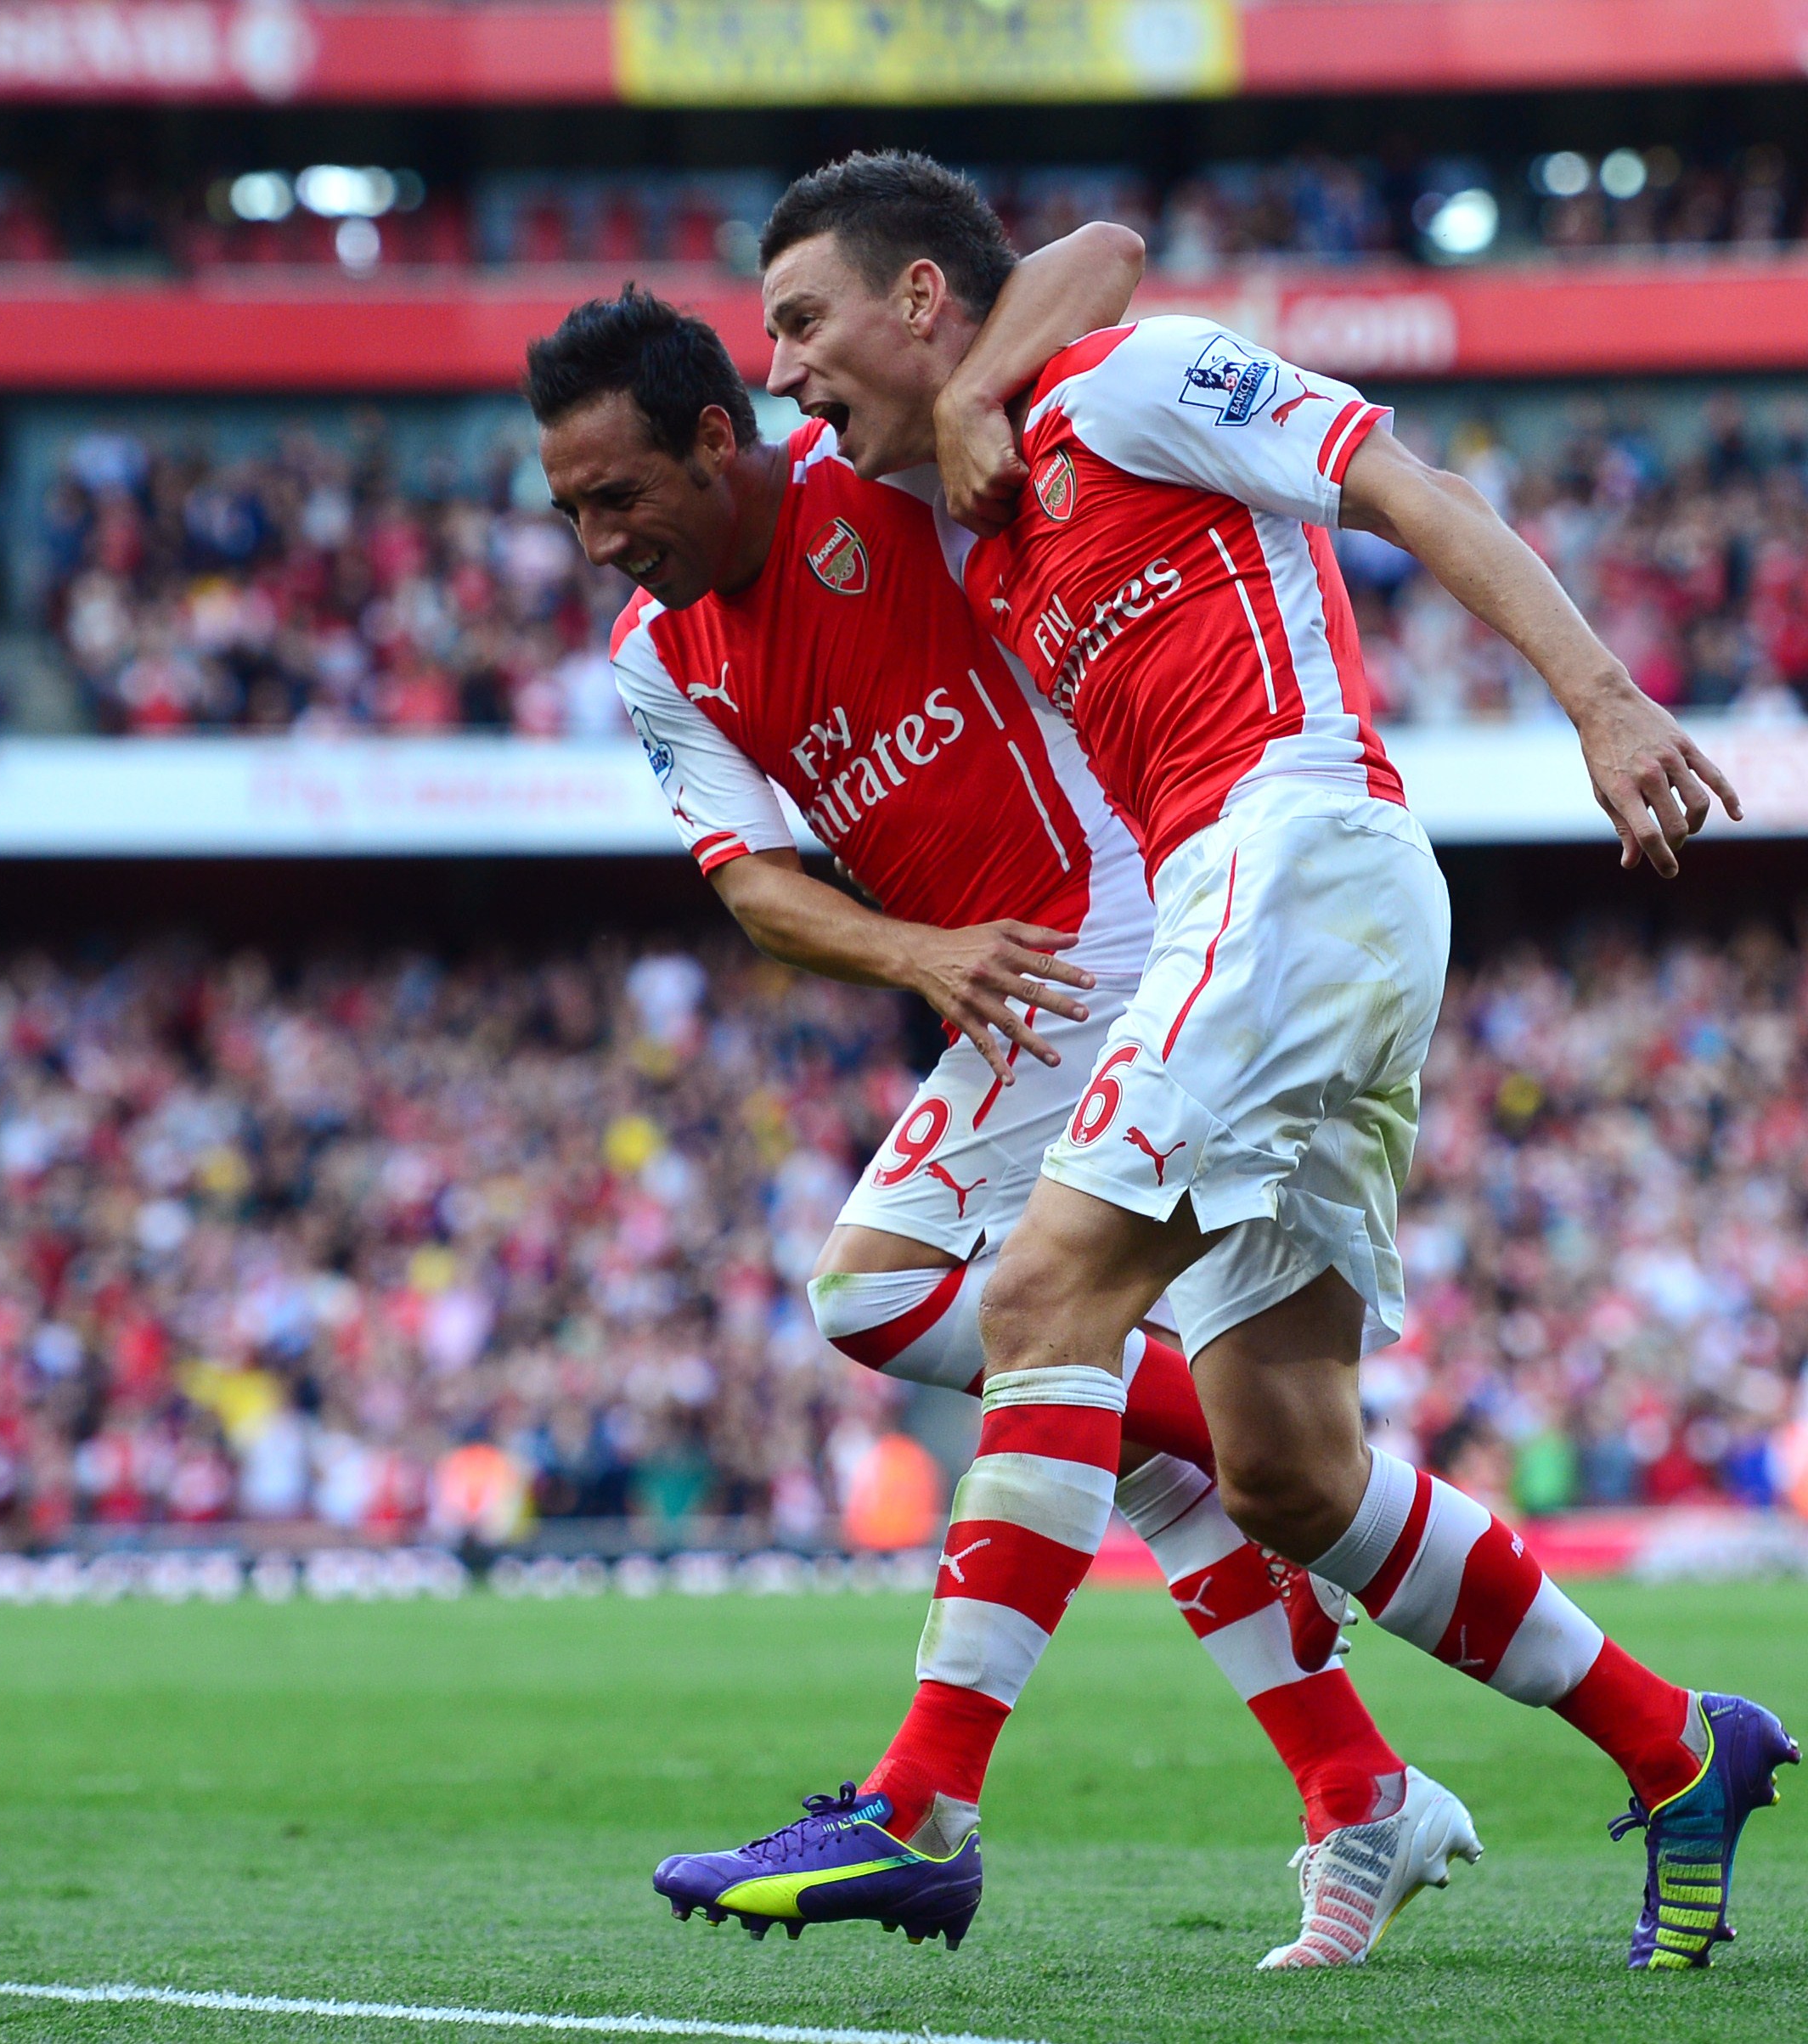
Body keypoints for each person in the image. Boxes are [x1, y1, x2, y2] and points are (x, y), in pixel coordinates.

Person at [744, 149, 1796, 1974]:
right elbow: (1051, 274)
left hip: (1288, 850)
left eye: (800, 321)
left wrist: (1599, 695)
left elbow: (1399, 482)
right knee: (1285, 1476)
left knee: (1045, 1290)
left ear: (921, 303)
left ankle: (914, 1802)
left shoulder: (1130, 381)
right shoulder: (973, 516)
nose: (780, 371)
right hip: (1276, 910)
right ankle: (1672, 1736)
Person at [527, 267, 1481, 1969]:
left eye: (617, 495)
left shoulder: (873, 469)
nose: (598, 539)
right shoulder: (653, 654)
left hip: (1121, 921)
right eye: (567, 511)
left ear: (714, 437)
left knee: (934, 1305)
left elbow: (1090, 257)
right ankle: (1361, 1772)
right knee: (1018, 1360)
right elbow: (749, 882)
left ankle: (925, 1801)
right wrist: (914, 947)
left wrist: (973, 396)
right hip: (999, 977)